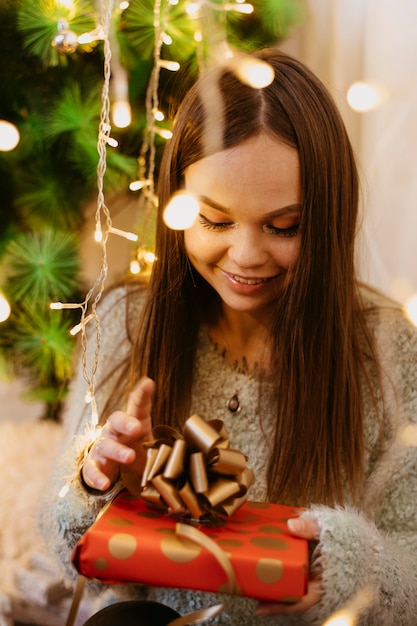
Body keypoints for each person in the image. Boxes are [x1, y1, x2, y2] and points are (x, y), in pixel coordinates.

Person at [39, 48, 417, 625]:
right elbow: (70, 553)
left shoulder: (389, 350)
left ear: (326, 217)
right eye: (214, 221)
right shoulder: (125, 324)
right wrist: (94, 486)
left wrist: (340, 565)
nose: (246, 256)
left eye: (283, 226)